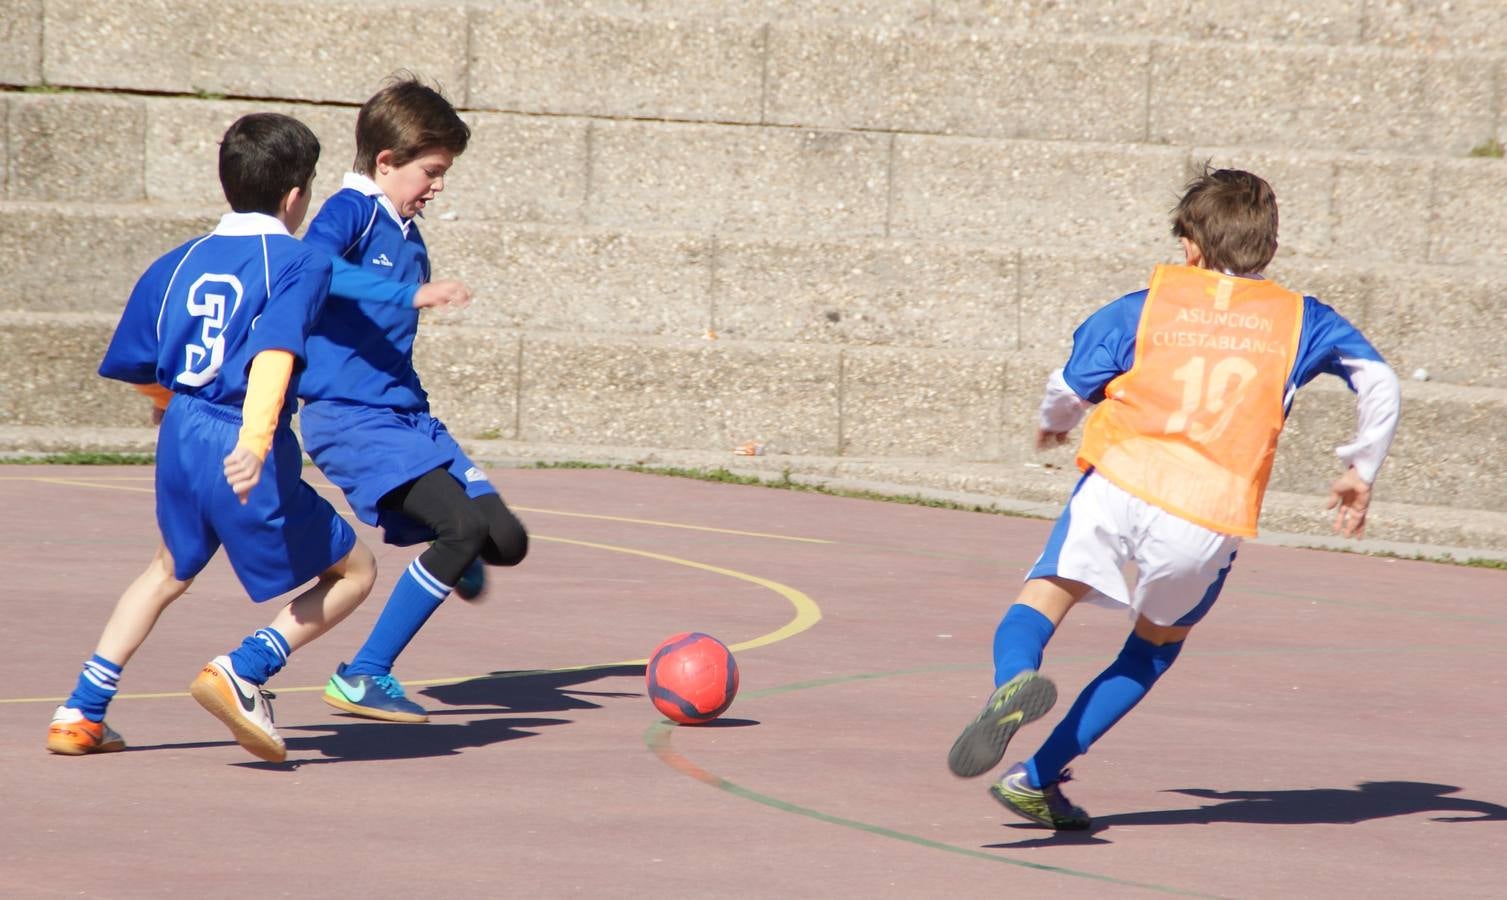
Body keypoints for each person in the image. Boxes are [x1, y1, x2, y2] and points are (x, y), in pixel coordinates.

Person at [946, 167, 1401, 830]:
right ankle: (1035, 778)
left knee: (1046, 590)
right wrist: (1359, 468)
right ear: (1267, 250)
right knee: (1152, 648)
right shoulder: (1303, 319)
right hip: (1203, 511)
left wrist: (1056, 418)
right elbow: (1379, 381)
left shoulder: (1145, 303)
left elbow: (1068, 382)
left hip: (1119, 478)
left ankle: (1012, 681)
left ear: (1188, 245)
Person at [46, 113, 377, 763]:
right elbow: (274, 355)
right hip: (237, 431)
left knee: (169, 568)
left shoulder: (180, 260)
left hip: (182, 429)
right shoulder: (298, 261)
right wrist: (254, 441)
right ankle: (246, 668)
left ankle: (80, 710)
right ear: (295, 197)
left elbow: (140, 360)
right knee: (356, 570)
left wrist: (168, 410)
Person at [298, 75, 528, 724]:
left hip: (408, 416)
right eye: (431, 170)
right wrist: (408, 296)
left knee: (505, 541)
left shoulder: (409, 236)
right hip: (351, 420)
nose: (439, 184)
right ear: (385, 161)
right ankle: (362, 674)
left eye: (445, 172)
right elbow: (311, 267)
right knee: (461, 530)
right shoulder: (352, 211)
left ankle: (455, 553)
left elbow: (391, 346)